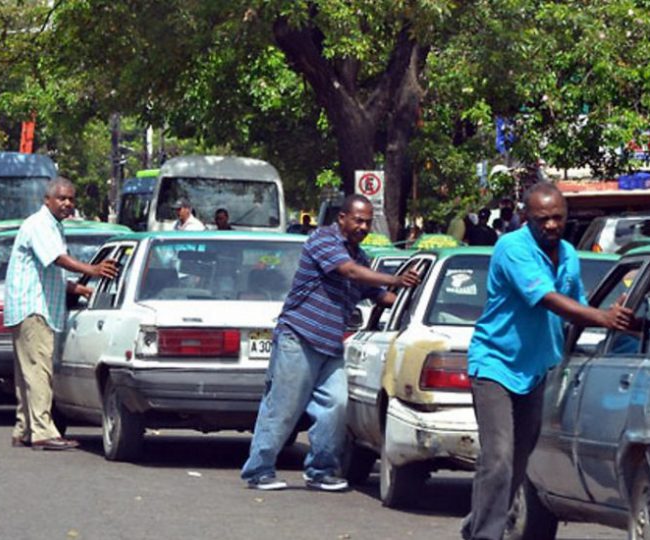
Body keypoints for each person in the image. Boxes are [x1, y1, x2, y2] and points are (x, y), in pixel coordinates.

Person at [461, 183, 633, 540]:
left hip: (536, 369)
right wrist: (603, 318)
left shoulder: (568, 253)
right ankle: (485, 535)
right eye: (543, 219)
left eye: (557, 218)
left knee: (519, 462)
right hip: (495, 364)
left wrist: (622, 324)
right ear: (526, 217)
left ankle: (477, 524)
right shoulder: (512, 248)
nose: (552, 225)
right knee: (499, 459)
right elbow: (546, 299)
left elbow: (576, 307)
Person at [241, 194, 420, 491]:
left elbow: (379, 296)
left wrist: (415, 300)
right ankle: (259, 470)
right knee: (283, 407)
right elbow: (347, 271)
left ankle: (320, 470)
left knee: (336, 407)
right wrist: (394, 280)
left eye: (367, 222)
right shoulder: (322, 240)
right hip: (298, 337)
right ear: (342, 218)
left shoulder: (360, 258)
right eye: (358, 220)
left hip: (330, 344)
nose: (363, 226)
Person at [4, 177, 119, 450]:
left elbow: (49, 272)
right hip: (34, 308)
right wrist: (92, 270)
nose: (68, 204)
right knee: (38, 370)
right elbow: (57, 258)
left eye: (71, 199)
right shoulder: (41, 225)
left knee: (26, 372)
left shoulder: (50, 226)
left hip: (32, 305)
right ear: (48, 200)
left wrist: (79, 288)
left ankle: (24, 428)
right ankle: (43, 432)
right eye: (62, 199)